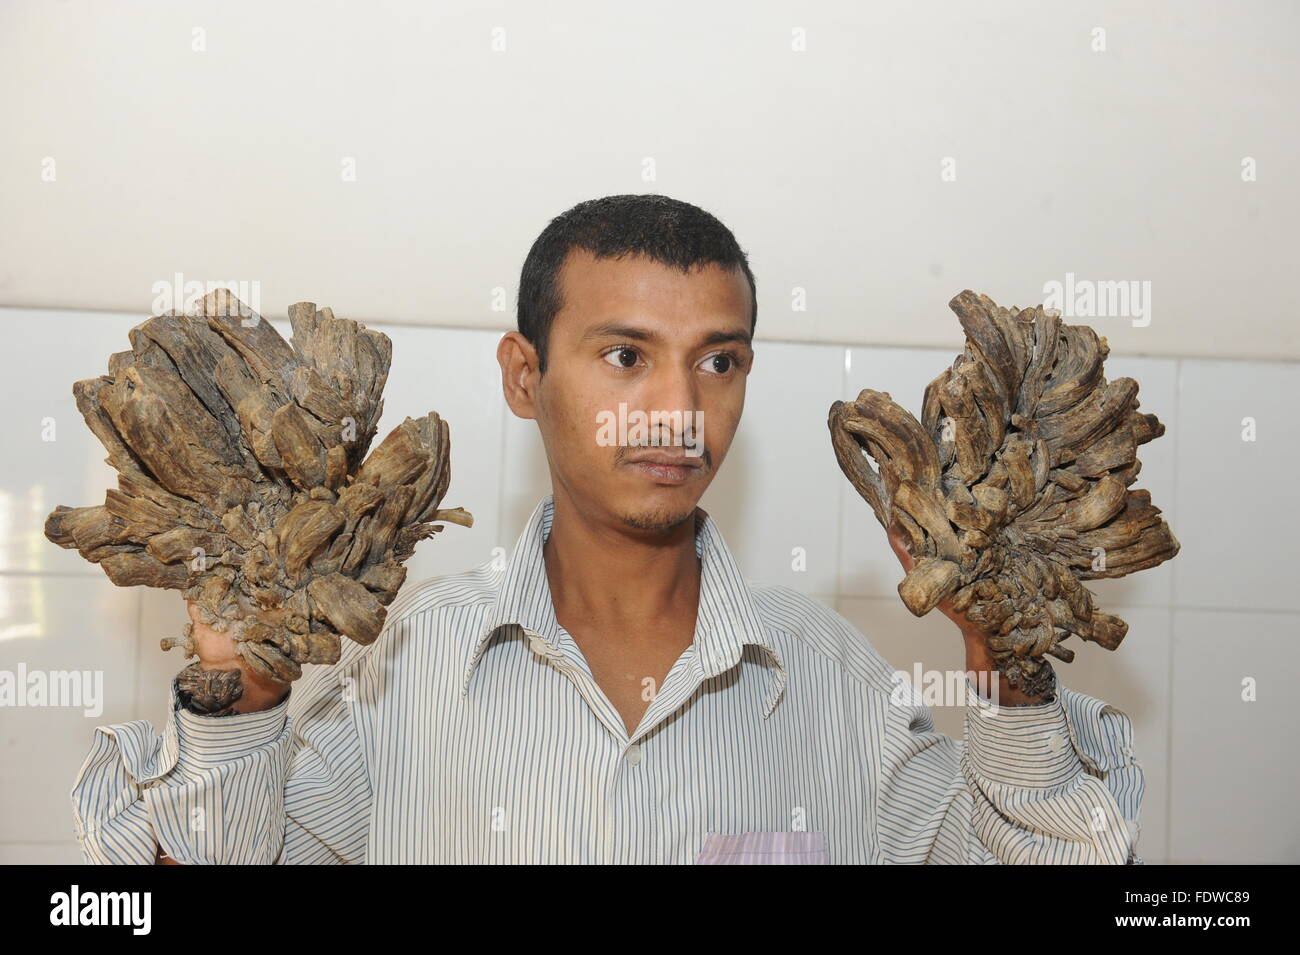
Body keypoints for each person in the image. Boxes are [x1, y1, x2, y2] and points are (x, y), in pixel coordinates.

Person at [69, 194, 1143, 864]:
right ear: (524, 377)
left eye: (718, 360)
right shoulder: (398, 677)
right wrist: (241, 687)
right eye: (625, 355)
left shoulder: (836, 686)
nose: (679, 406)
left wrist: (1008, 674)